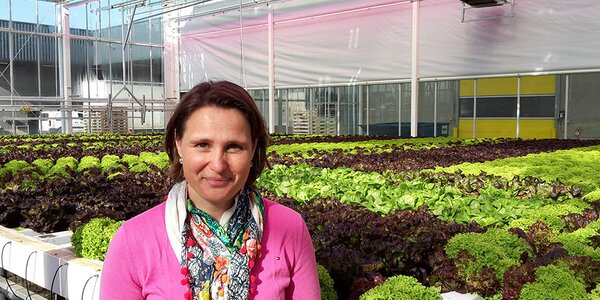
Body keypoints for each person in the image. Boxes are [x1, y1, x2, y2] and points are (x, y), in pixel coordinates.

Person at [100, 80, 320, 299]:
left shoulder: (290, 228)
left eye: (234, 147)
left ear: (253, 149)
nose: (218, 164)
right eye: (202, 145)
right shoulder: (133, 240)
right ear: (179, 144)